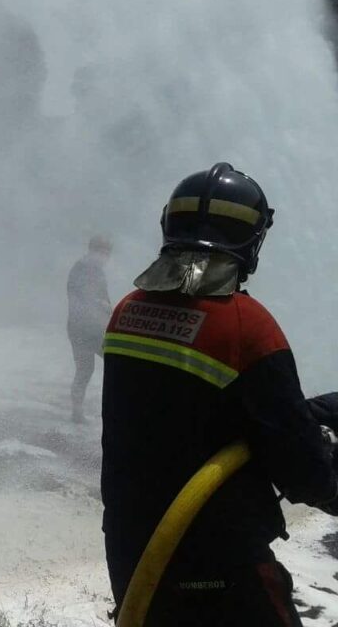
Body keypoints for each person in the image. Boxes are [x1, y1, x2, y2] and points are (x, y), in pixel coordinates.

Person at [101, 162, 338, 626]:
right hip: (219, 559)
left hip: (134, 549)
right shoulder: (246, 325)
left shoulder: (127, 312)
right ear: (251, 240)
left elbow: (186, 411)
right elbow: (304, 472)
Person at [66, 235, 112, 423]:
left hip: (94, 328)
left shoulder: (96, 271)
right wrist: (101, 305)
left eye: (107, 253)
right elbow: (80, 298)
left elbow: (103, 298)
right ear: (93, 250)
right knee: (86, 369)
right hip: (82, 329)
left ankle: (104, 409)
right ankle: (77, 411)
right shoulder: (81, 269)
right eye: (103, 252)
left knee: (104, 365)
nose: (105, 258)